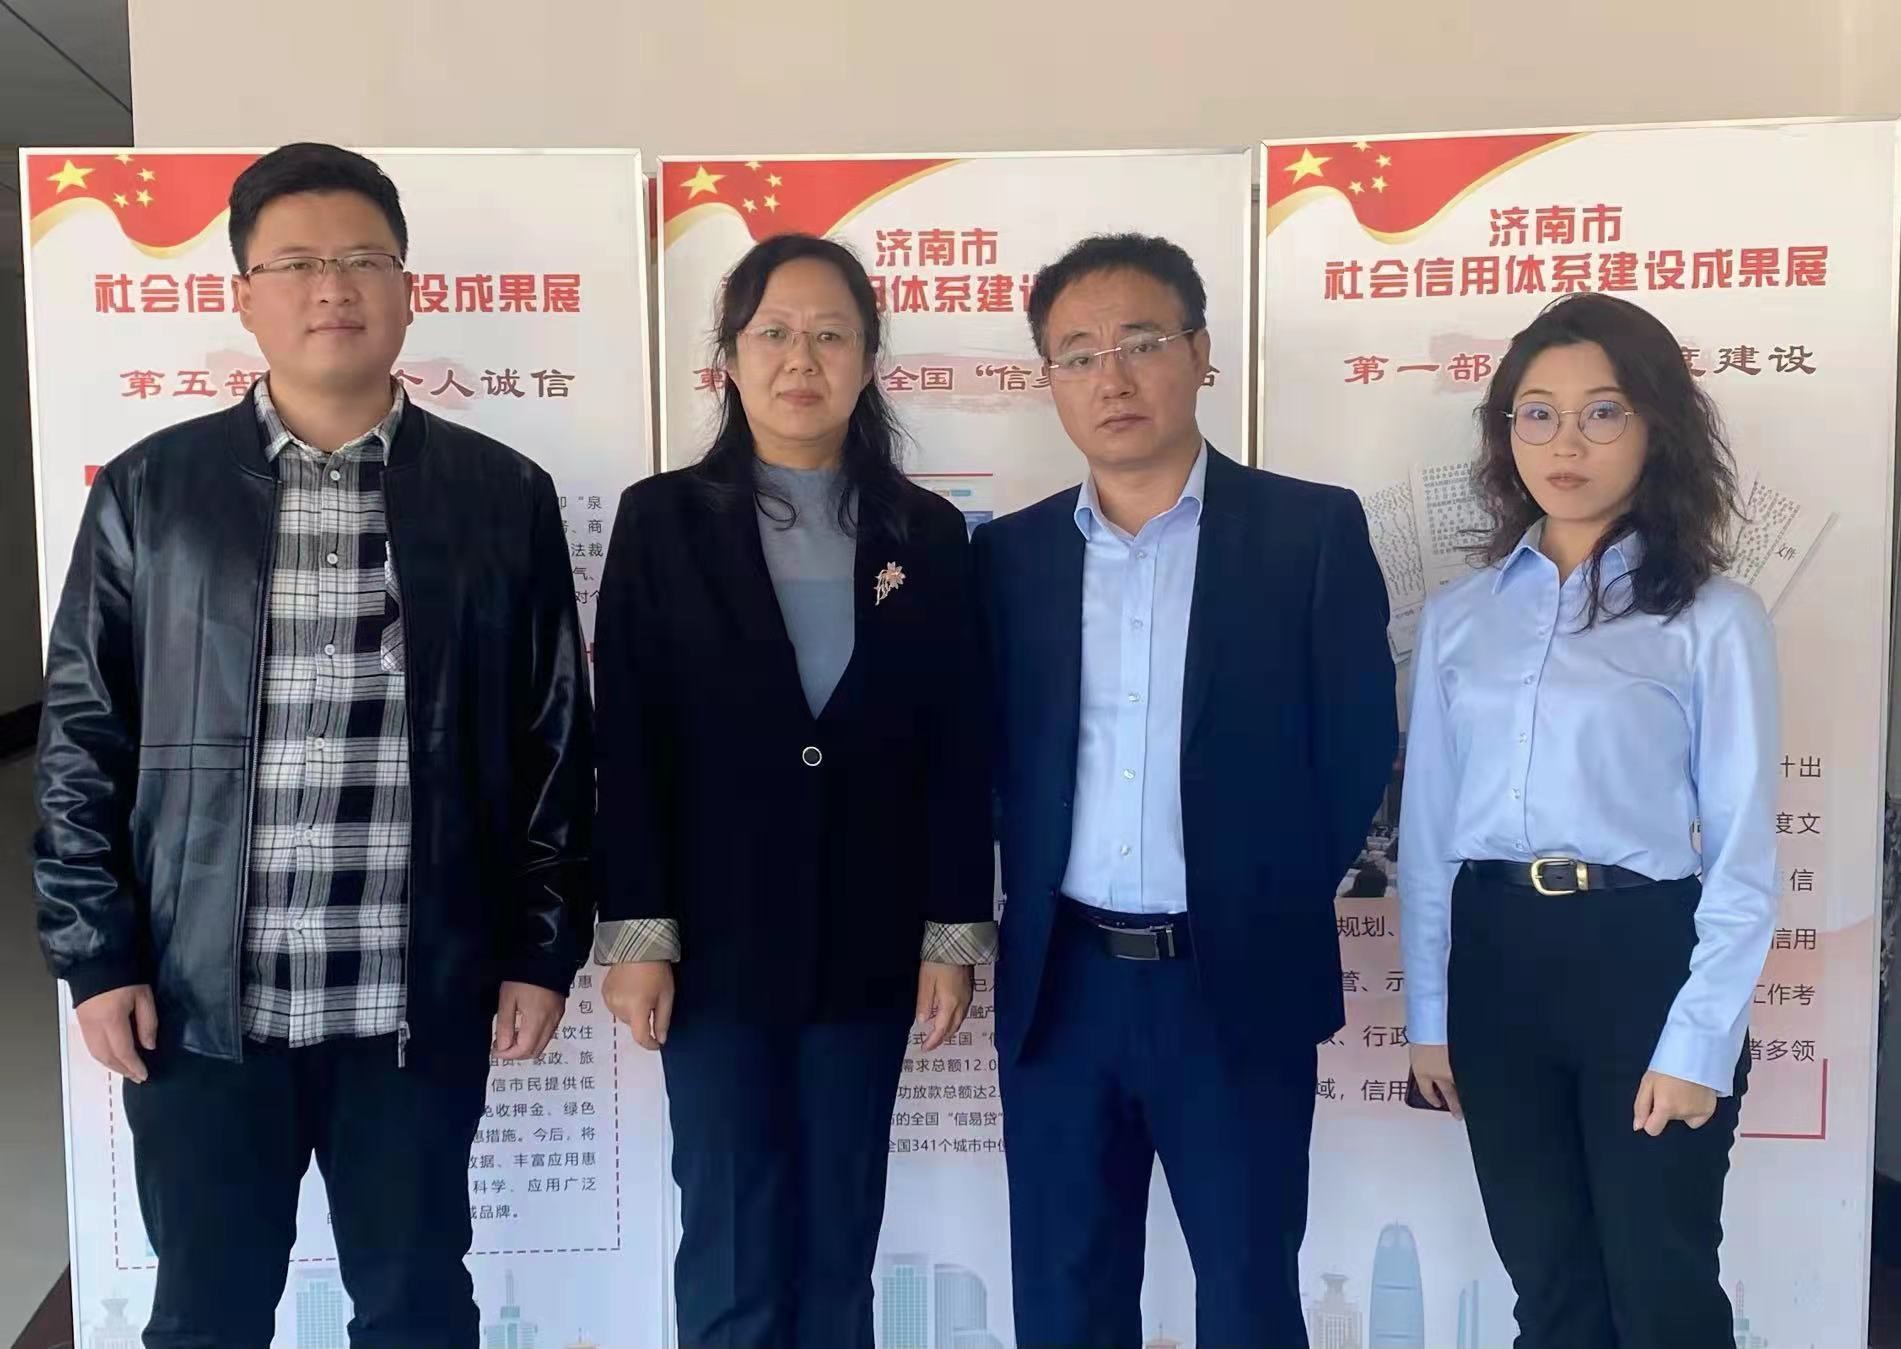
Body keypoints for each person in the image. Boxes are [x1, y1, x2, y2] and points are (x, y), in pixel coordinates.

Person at [32, 142, 595, 1348]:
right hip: (199, 1004)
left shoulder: (502, 496)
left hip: (416, 996)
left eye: (360, 260)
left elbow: (551, 738)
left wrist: (541, 946)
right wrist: (96, 951)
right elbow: (83, 733)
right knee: (206, 1311)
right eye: (293, 263)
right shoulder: (150, 491)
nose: (330, 287)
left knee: (416, 1307)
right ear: (244, 296)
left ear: (408, 290)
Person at [977, 233, 1396, 1347]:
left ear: (1201, 352)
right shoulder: (1009, 558)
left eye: (1140, 341)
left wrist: (1259, 895)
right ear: (1050, 379)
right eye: (1077, 353)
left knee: (1248, 1296)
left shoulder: (1307, 531)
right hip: (1061, 984)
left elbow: (1356, 744)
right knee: (1062, 1302)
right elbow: (985, 756)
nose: (1110, 376)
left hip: (1234, 980)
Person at [594, 233, 995, 1349]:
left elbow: (957, 743)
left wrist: (952, 932)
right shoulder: (663, 520)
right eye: (772, 332)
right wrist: (637, 933)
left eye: (829, 334)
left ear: (868, 359)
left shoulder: (927, 531)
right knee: (732, 1242)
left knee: (835, 1245)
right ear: (727, 357)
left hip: (868, 942)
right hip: (713, 949)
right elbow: (627, 737)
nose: (799, 358)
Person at [1401, 292, 1778, 1349]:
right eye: (1537, 413)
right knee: (1551, 1295)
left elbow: (1742, 851)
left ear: (1656, 426)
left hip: (1641, 961)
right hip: (1497, 962)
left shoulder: (1709, 616)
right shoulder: (1461, 616)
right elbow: (1427, 835)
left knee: (1659, 1293)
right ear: (1504, 431)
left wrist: (1699, 1039)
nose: (1564, 442)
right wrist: (1430, 1014)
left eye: (1601, 411)